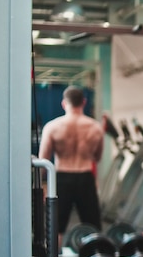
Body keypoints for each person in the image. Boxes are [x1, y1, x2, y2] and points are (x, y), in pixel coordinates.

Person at [39, 85, 104, 244]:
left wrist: (40, 187)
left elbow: (43, 160)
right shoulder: (95, 127)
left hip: (62, 178)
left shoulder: (52, 127)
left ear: (64, 103)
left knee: (56, 227)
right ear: (84, 102)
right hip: (85, 177)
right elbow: (97, 157)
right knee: (92, 226)